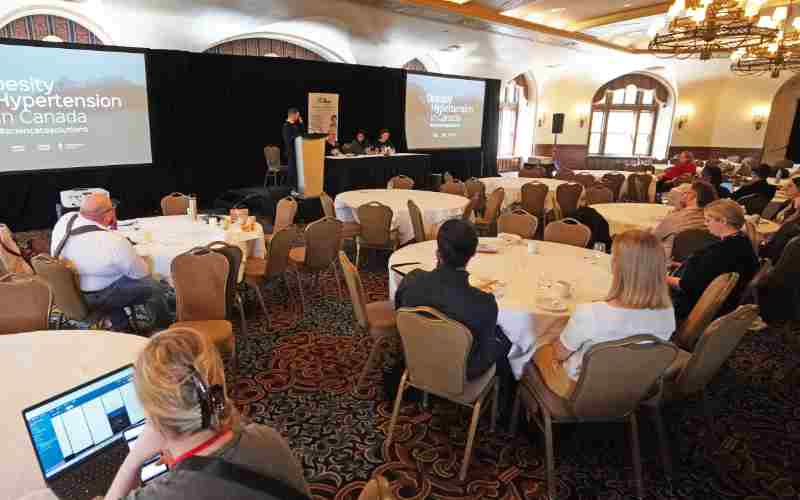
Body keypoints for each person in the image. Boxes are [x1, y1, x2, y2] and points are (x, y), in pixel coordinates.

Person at [104, 327, 310, 500]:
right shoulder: (269, 438)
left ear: (153, 418)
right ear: (219, 385)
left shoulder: (163, 494)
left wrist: (133, 461)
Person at [534, 230, 675, 397]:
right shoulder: (668, 314)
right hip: (632, 389)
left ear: (618, 267)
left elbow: (559, 353)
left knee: (535, 345)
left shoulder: (591, 314)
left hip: (579, 391)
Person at [395, 219, 511, 382]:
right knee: (506, 340)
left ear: (438, 252)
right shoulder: (484, 303)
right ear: (472, 254)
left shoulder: (411, 280)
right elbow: (485, 347)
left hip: (416, 357)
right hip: (462, 373)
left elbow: (399, 313)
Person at [50, 194, 170, 331]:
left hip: (68, 291)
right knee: (153, 287)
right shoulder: (114, 241)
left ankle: (121, 326)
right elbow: (141, 273)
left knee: (111, 277)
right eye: (112, 207)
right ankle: (162, 329)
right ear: (109, 214)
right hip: (95, 296)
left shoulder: (65, 219)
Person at [667, 199, 759, 322]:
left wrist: (662, 278)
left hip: (688, 309)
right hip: (722, 306)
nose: (705, 224)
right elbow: (708, 272)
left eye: (708, 220)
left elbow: (687, 286)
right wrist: (680, 265)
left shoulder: (720, 252)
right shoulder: (742, 243)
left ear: (723, 221)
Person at [652, 180, 717, 260]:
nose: (683, 195)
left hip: (672, 264)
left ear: (692, 195)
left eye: (686, 193)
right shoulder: (714, 220)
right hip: (706, 263)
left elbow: (653, 238)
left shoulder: (675, 218)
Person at [760, 177, 800, 263]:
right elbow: (776, 220)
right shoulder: (790, 203)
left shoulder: (796, 213)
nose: (785, 188)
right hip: (772, 236)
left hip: (777, 247)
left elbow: (785, 229)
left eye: (790, 186)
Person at [282, 107, 304, 190]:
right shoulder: (286, 126)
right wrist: (297, 137)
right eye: (297, 116)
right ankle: (290, 189)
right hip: (291, 152)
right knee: (292, 171)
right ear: (292, 115)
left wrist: (301, 123)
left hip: (297, 151)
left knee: (296, 172)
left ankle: (295, 188)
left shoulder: (294, 125)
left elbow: (302, 134)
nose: (298, 117)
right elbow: (288, 140)